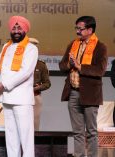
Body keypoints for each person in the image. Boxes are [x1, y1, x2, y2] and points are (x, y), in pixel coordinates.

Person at [59, 16, 108, 157]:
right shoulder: (73, 44)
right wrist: (70, 64)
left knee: (91, 132)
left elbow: (100, 70)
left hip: (90, 94)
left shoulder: (100, 47)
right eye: (77, 28)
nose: (77, 31)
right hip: (73, 92)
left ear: (90, 30)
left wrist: (80, 67)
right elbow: (62, 65)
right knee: (77, 131)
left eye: (80, 29)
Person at [0, 16, 38, 157]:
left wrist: (4, 84)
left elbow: (25, 72)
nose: (16, 31)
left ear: (25, 30)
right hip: (7, 98)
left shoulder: (31, 49)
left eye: (19, 28)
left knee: (26, 137)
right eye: (14, 28)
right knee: (11, 137)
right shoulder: (6, 47)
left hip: (22, 99)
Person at [29, 38, 51, 131]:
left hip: (35, 97)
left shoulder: (41, 65)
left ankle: (34, 145)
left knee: (34, 125)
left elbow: (47, 83)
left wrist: (35, 88)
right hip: (20, 97)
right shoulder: (18, 63)